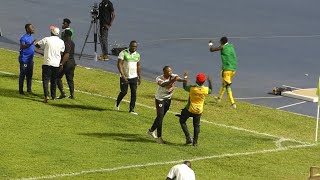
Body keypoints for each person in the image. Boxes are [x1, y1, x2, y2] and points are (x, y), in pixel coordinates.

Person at [147, 66, 187, 144]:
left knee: (160, 117)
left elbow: (178, 79)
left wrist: (184, 79)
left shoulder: (173, 76)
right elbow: (163, 84)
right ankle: (159, 137)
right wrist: (172, 80)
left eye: (171, 71)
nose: (170, 72)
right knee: (160, 117)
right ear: (164, 72)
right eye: (169, 71)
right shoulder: (159, 78)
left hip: (168, 99)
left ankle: (151, 131)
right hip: (160, 99)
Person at [179, 73, 212, 146]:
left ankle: (188, 138)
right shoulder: (205, 90)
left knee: (182, 121)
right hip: (199, 110)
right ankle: (195, 142)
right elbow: (210, 90)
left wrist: (185, 77)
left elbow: (184, 87)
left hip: (189, 109)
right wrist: (209, 81)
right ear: (204, 81)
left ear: (196, 80)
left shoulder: (192, 88)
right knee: (196, 126)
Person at [35, 26, 65, 103]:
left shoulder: (47, 39)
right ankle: (53, 96)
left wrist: (44, 51)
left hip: (47, 63)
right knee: (54, 80)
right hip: (56, 64)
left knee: (45, 80)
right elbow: (62, 52)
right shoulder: (61, 42)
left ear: (52, 32)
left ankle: (46, 96)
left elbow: (37, 45)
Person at [209, 36, 237, 108]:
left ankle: (232, 103)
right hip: (233, 69)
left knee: (227, 86)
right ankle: (219, 98)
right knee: (224, 83)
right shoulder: (231, 46)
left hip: (227, 70)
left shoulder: (222, 47)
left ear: (222, 42)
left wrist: (210, 44)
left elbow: (211, 50)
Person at [115, 40, 141, 115]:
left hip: (134, 77)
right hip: (125, 76)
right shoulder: (123, 53)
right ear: (129, 46)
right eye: (132, 46)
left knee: (134, 93)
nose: (134, 48)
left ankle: (131, 109)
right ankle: (117, 103)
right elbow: (119, 64)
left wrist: (139, 76)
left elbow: (138, 65)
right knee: (124, 92)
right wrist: (122, 75)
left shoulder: (137, 55)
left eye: (135, 47)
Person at [57, 30, 76, 99]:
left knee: (57, 77)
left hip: (66, 63)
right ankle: (72, 95)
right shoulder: (72, 43)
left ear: (65, 35)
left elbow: (66, 54)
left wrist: (62, 64)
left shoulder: (65, 43)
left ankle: (63, 93)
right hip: (72, 63)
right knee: (70, 79)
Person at [18, 24, 36, 95]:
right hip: (24, 59)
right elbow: (22, 46)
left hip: (30, 60)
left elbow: (32, 48)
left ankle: (29, 90)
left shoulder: (31, 37)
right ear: (27, 29)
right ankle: (21, 91)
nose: (33, 29)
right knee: (22, 75)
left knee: (29, 75)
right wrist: (30, 44)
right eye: (31, 28)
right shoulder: (23, 37)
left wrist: (42, 53)